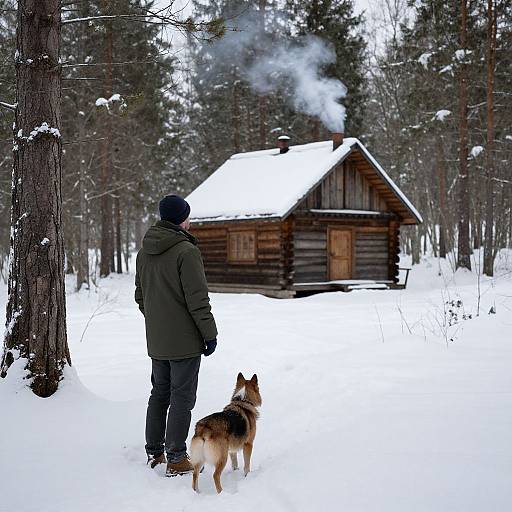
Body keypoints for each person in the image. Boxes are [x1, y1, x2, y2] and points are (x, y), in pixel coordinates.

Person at [135, 194, 218, 477]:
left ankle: (154, 451)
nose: (190, 221)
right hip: (184, 342)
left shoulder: (144, 251)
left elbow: (140, 296)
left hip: (157, 340)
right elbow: (197, 299)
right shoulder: (186, 251)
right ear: (182, 219)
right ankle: (176, 457)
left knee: (159, 394)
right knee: (181, 398)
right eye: (188, 216)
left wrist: (159, 321)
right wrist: (210, 334)